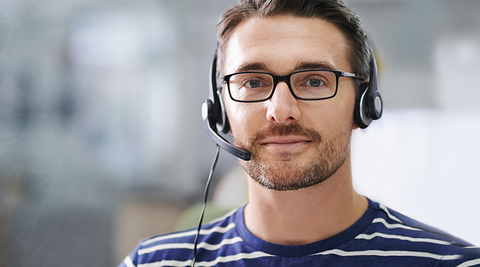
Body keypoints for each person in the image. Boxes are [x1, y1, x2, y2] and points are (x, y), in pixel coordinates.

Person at [119, 0, 480, 266]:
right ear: (220, 109)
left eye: (313, 81)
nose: (281, 110)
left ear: (363, 104)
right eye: (254, 82)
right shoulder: (154, 264)